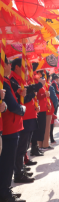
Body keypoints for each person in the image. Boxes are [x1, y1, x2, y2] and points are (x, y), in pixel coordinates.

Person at [9, 59, 43, 183]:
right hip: (23, 117)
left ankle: (21, 168)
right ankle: (18, 173)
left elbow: (28, 94)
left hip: (29, 115)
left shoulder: (22, 79)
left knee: (24, 146)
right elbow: (23, 97)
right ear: (17, 67)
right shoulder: (12, 79)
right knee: (21, 147)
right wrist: (33, 91)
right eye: (25, 66)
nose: (27, 69)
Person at [0, 56, 27, 202]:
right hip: (9, 128)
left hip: (12, 126)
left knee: (8, 163)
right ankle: (4, 193)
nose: (9, 66)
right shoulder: (3, 82)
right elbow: (14, 106)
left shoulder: (6, 81)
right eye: (8, 63)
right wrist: (22, 108)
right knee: (7, 163)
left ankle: (6, 189)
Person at [50, 74, 59, 144]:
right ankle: (51, 138)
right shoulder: (52, 84)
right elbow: (54, 92)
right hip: (52, 104)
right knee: (51, 120)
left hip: (54, 102)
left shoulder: (54, 83)